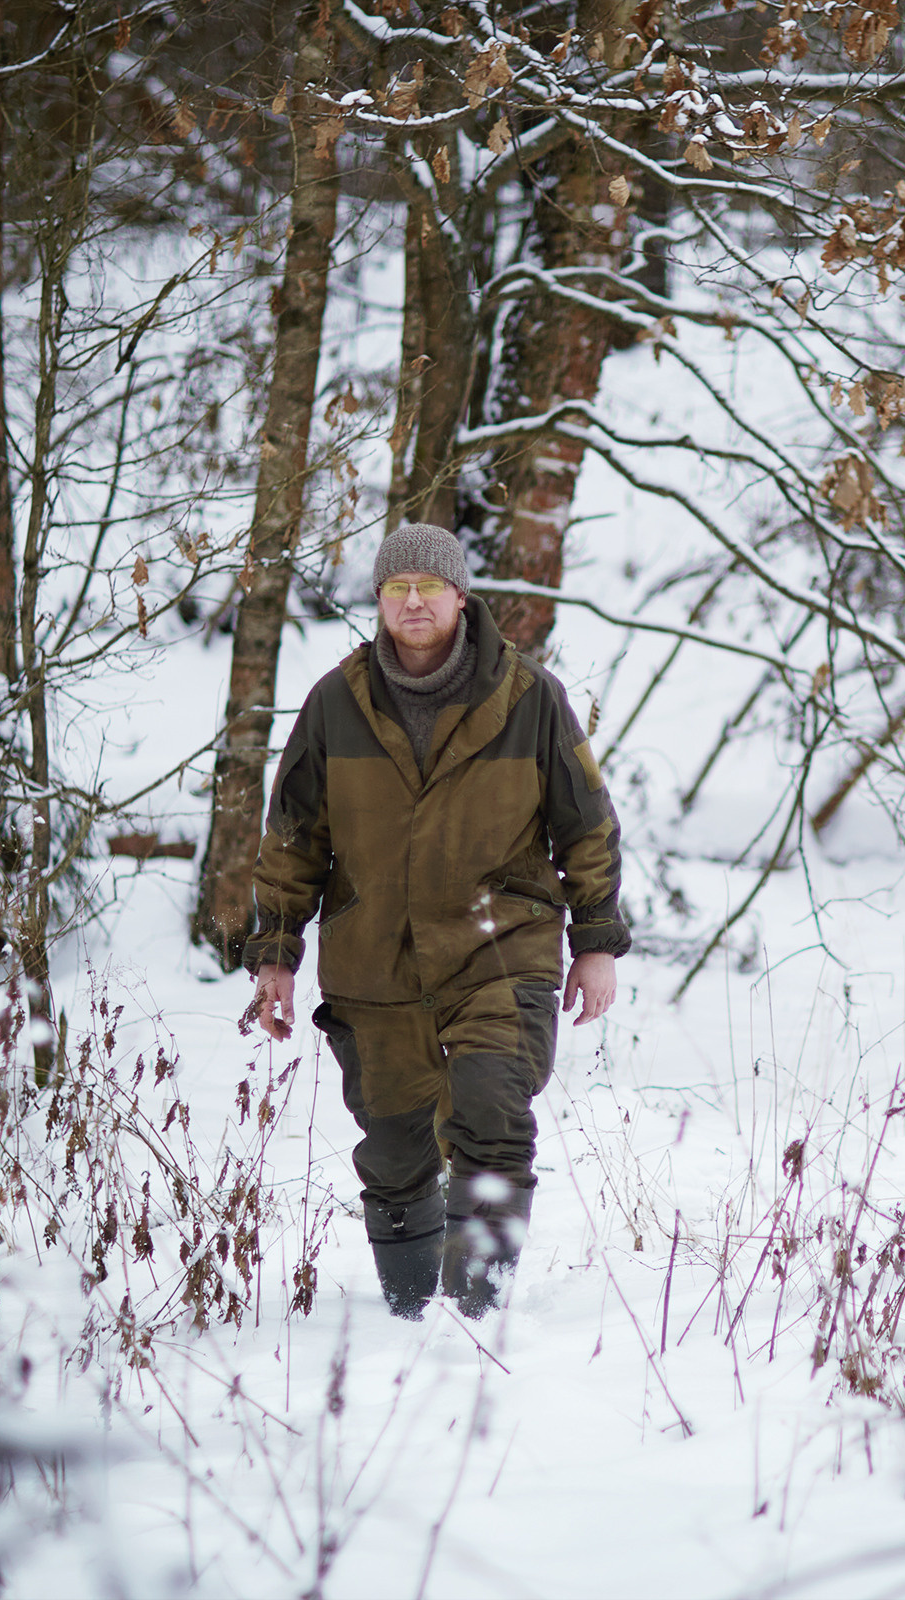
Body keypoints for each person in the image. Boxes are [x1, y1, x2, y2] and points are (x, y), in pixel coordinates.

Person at [243, 523, 630, 1317]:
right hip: (374, 958)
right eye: (396, 587)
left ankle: (475, 1313)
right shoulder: (336, 703)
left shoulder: (529, 696)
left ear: (460, 596)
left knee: (491, 1102)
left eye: (428, 586)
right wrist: (276, 953)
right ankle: (412, 1313)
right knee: (394, 1151)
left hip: (500, 946)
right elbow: (293, 839)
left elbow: (587, 825)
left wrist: (595, 942)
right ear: (380, 599)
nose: (412, 601)